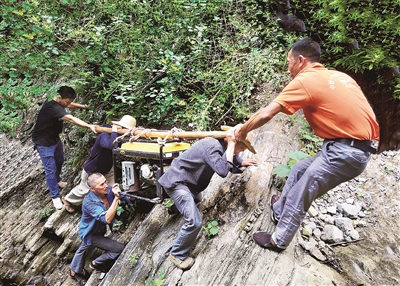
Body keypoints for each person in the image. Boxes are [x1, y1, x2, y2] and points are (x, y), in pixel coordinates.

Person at [234, 38, 379, 252]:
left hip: (346, 151)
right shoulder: (340, 76)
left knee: (303, 189)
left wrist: (242, 131)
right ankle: (280, 208)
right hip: (351, 147)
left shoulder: (306, 80)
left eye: (288, 62)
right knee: (300, 169)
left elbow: (267, 112)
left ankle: (279, 240)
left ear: (300, 60)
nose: (288, 69)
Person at [158, 127, 257, 270]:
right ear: (233, 141)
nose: (242, 150)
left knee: (197, 200)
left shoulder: (220, 145)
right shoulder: (211, 146)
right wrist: (231, 145)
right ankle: (177, 255)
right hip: (177, 182)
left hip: (189, 185)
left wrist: (240, 162)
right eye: (242, 147)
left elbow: (229, 156)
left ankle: (175, 207)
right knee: (195, 222)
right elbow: (223, 170)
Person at [32, 86, 98, 210]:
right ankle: (55, 197)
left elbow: (69, 105)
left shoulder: (58, 101)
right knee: (50, 169)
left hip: (54, 139)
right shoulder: (52, 107)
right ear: (61, 98)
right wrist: (89, 126)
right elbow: (71, 119)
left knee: (60, 160)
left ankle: (57, 181)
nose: (68, 104)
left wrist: (82, 107)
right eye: (67, 101)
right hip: (43, 142)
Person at [62, 115, 137, 213]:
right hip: (93, 169)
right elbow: (111, 145)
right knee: (84, 190)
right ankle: (68, 200)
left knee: (111, 188)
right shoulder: (104, 135)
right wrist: (114, 131)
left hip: (108, 168)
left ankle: (109, 208)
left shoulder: (120, 137)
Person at [69, 173, 132, 283]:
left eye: (105, 182)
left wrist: (125, 192)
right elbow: (106, 219)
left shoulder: (107, 189)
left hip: (99, 229)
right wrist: (117, 198)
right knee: (118, 249)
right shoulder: (89, 202)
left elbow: (128, 198)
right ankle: (95, 263)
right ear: (92, 189)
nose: (106, 185)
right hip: (90, 232)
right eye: (101, 184)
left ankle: (74, 271)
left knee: (84, 248)